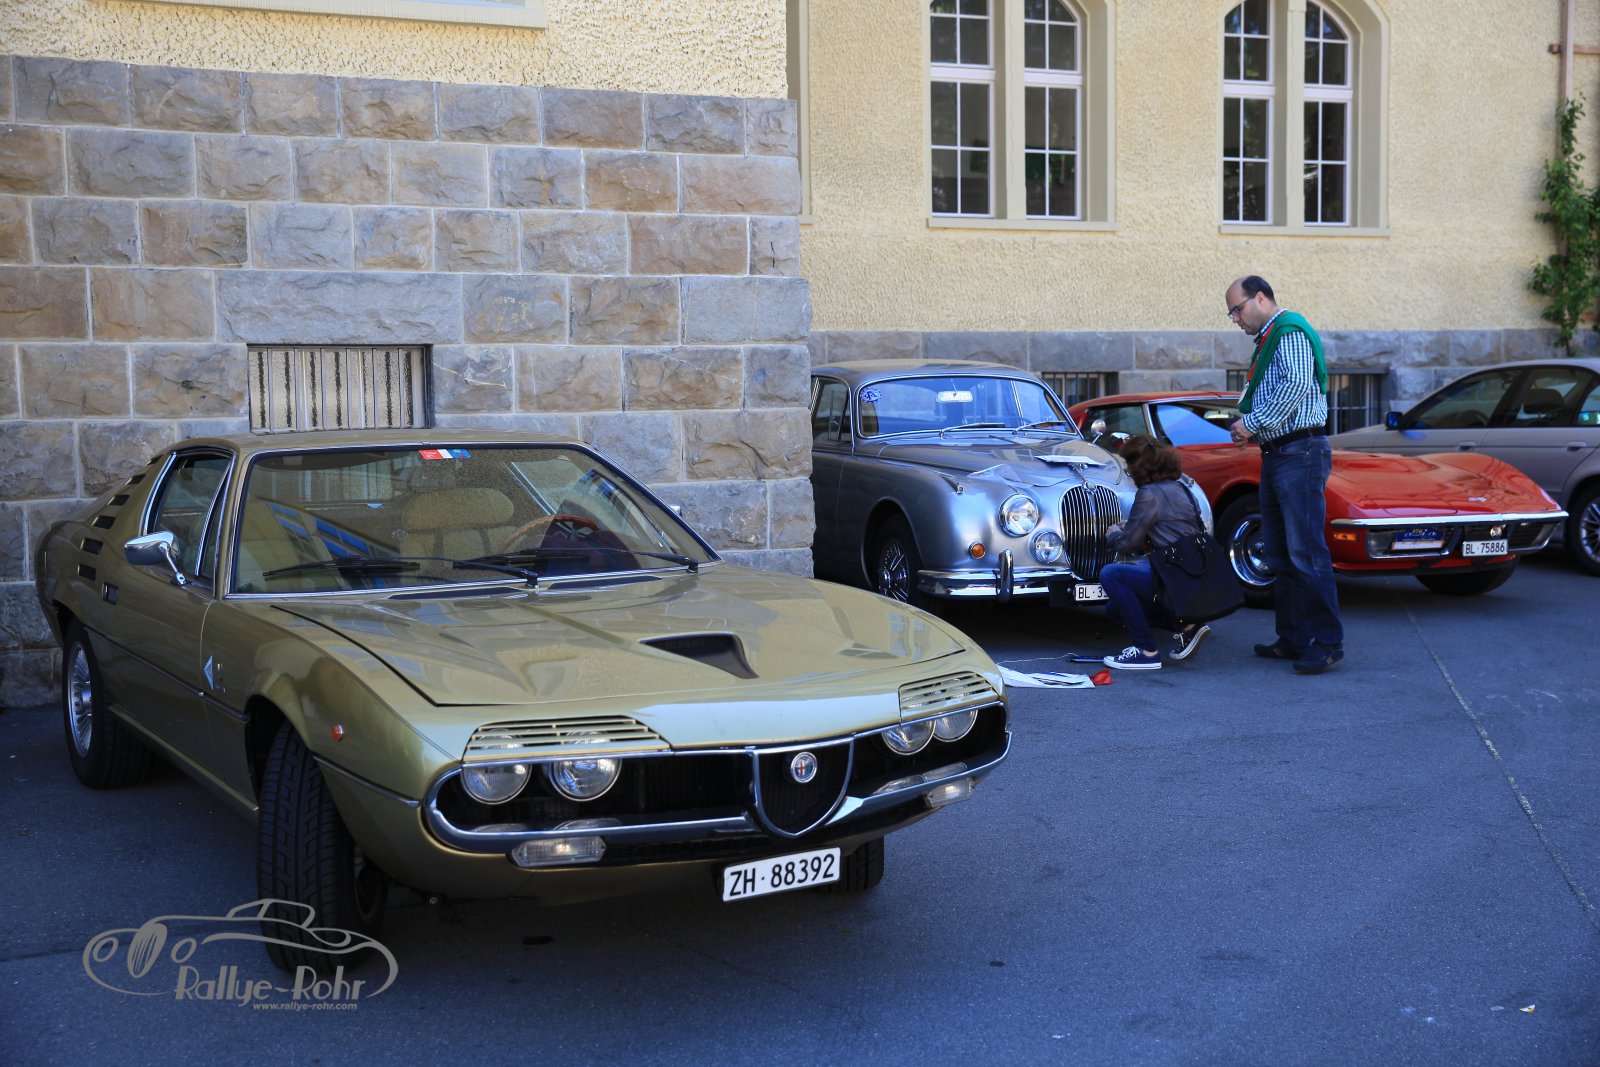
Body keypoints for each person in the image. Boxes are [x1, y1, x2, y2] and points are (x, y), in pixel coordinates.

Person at [1223, 274, 1345, 674]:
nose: (1235, 319)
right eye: (1231, 313)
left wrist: (1251, 423)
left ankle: (1327, 643)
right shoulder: (1270, 339)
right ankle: (1293, 638)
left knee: (1306, 551)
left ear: (1260, 298)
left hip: (1299, 451)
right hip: (1282, 452)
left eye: (1237, 309)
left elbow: (1294, 385)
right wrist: (1249, 424)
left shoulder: (1288, 331)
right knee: (1282, 551)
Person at [1098, 436, 1213, 670]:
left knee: (1111, 574)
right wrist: (1136, 526)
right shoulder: (1183, 489)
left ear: (1139, 467)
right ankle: (1186, 625)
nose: (1130, 474)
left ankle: (1146, 651)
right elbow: (1171, 527)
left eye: (1129, 468)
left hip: (1172, 578)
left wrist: (1113, 533)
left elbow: (1128, 546)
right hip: (1192, 575)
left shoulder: (1149, 493)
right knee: (1114, 609)